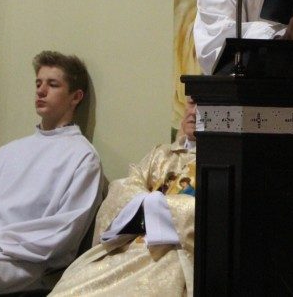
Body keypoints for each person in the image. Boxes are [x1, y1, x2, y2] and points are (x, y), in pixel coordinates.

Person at [0, 50, 103, 296]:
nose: (41, 91)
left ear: (76, 97)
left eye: (53, 84)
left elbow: (65, 229)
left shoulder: (83, 157)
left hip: (24, 260)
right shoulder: (10, 151)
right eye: (38, 84)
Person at [49, 97, 199, 296]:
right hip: (127, 246)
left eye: (204, 105)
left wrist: (151, 203)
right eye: (192, 103)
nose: (194, 111)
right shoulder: (161, 154)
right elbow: (121, 191)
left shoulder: (222, 164)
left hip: (171, 256)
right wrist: (156, 205)